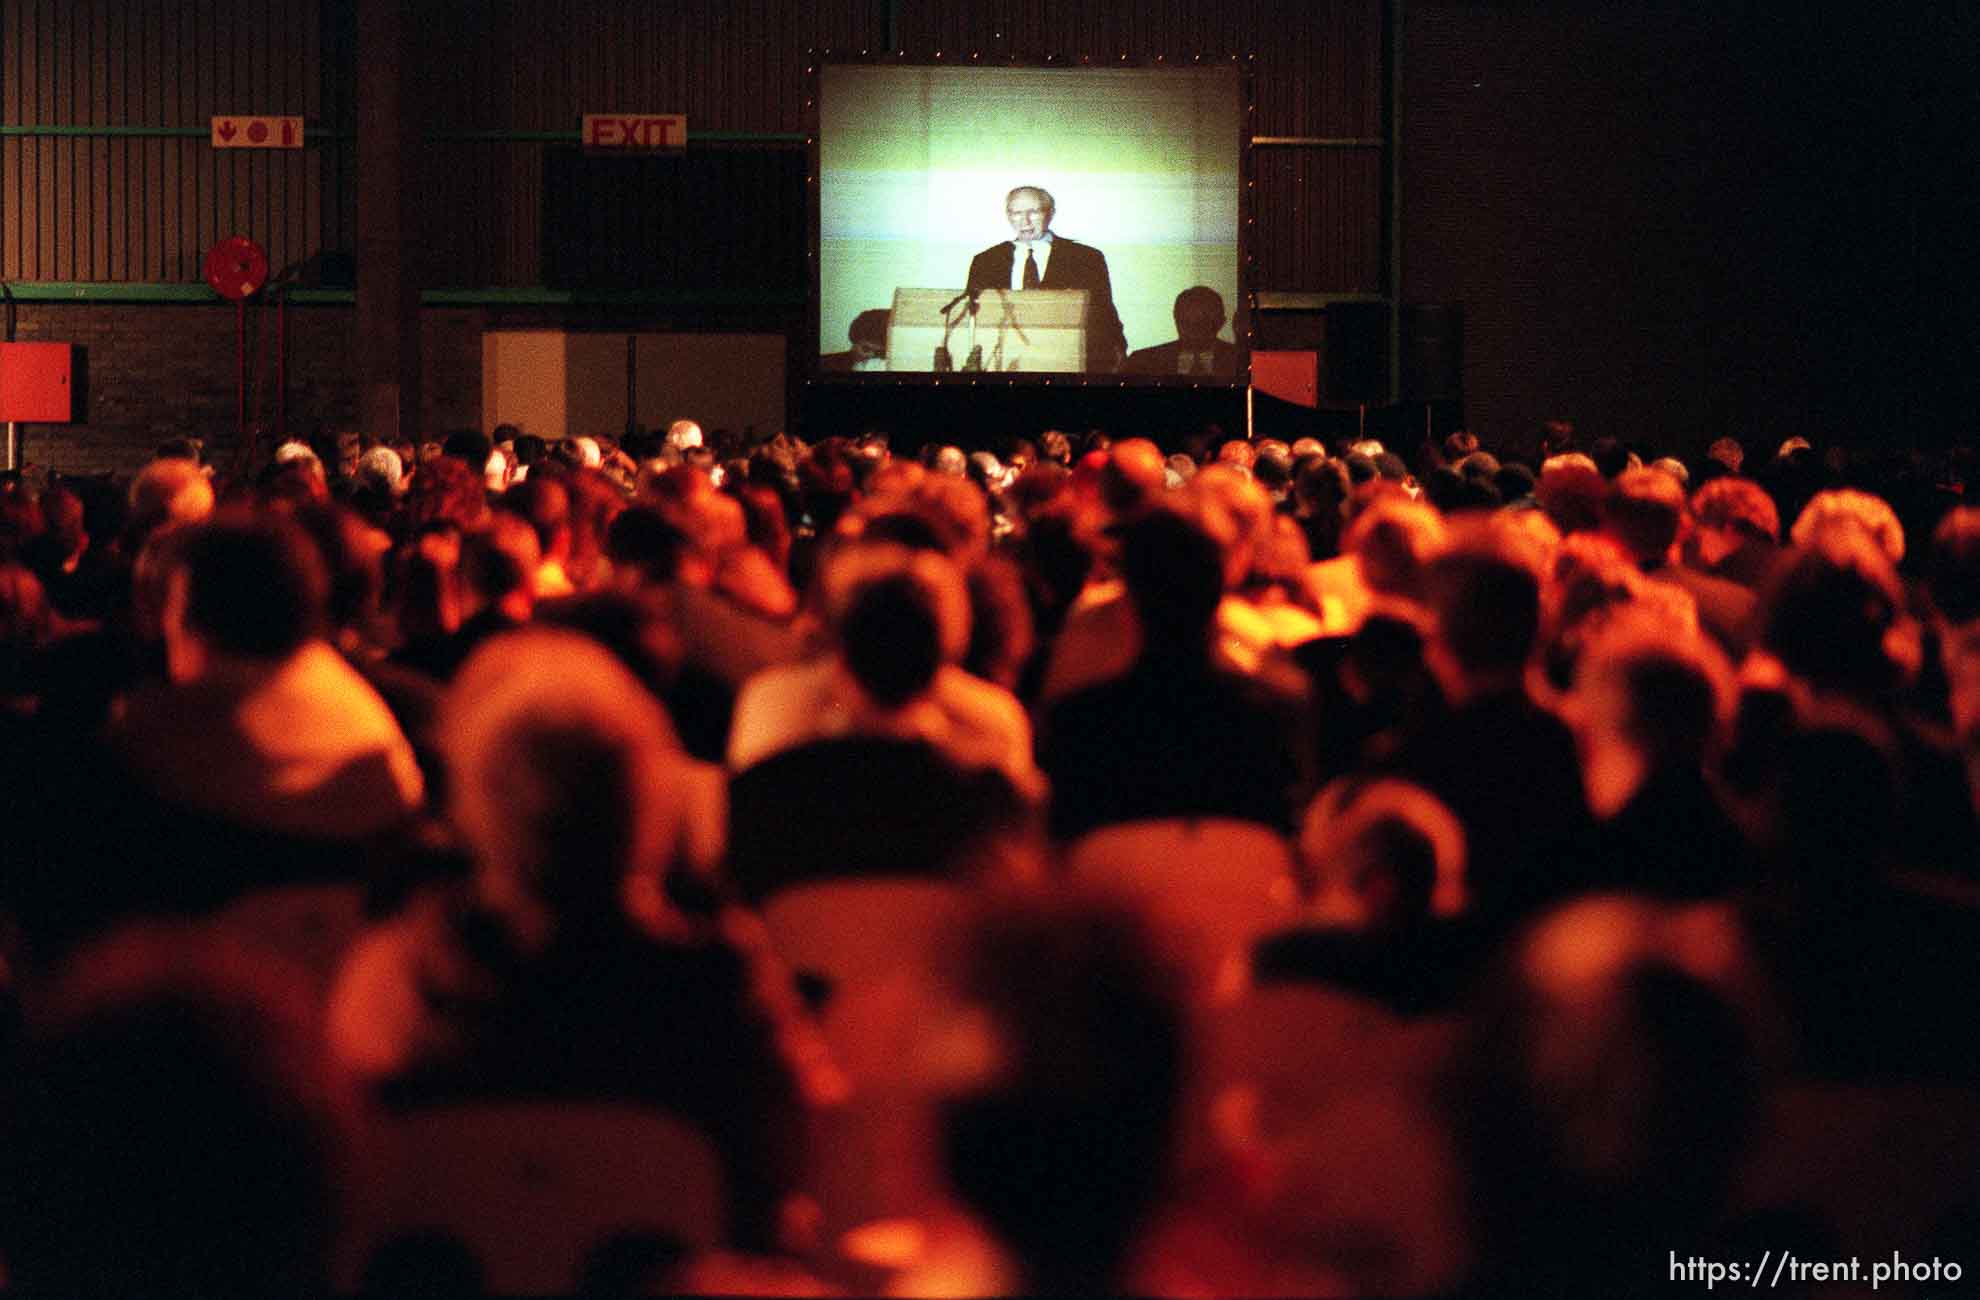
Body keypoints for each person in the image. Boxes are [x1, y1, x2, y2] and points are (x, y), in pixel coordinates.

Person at [965, 185, 1128, 370]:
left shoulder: (1086, 258)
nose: (1024, 221)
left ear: (1050, 213)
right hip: (1004, 365)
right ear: (1008, 216)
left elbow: (1104, 316)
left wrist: (1114, 359)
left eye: (1033, 212)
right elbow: (973, 319)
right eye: (1016, 213)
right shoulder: (986, 261)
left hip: (1067, 367)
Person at [1124, 286, 1240, 377]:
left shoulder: (1242, 361)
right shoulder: (1142, 363)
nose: (1193, 328)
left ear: (1221, 322)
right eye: (1186, 320)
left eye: (1202, 321)